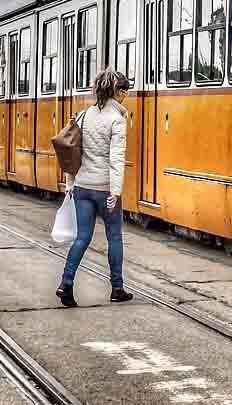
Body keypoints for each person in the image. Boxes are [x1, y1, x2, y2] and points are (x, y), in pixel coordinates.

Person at [56, 68, 131, 307]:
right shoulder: (117, 120)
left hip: (83, 187)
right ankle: (117, 289)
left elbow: (71, 151)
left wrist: (70, 184)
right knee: (114, 237)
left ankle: (65, 284)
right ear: (117, 92)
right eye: (125, 91)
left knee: (82, 238)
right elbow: (116, 160)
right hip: (104, 187)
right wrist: (115, 193)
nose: (126, 95)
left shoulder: (83, 116)